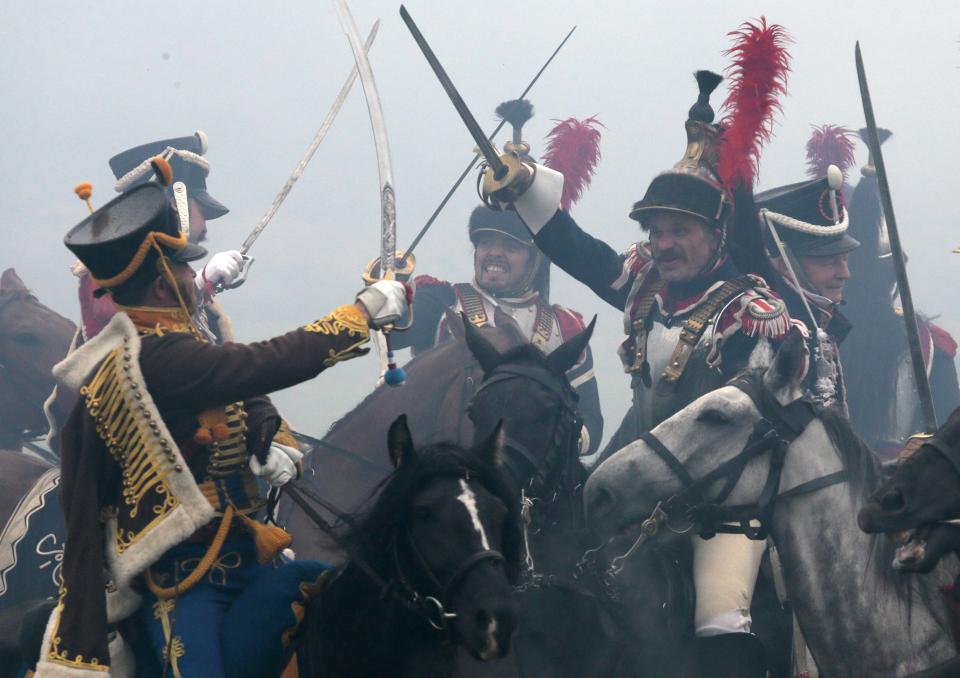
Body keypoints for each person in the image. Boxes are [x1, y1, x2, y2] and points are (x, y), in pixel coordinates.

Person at [482, 59, 797, 676]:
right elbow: (577, 251)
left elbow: (749, 422)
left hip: (717, 499)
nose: (664, 243)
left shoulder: (748, 309)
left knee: (720, 620)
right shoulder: (646, 288)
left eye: (680, 230)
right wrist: (523, 193)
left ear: (715, 235)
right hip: (634, 467)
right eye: (655, 230)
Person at [33, 182, 409, 678]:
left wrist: (266, 433)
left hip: (249, 552)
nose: (195, 275)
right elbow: (260, 364)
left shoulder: (177, 339)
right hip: (186, 579)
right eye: (187, 267)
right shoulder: (155, 355)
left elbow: (241, 388)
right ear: (166, 281)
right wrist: (359, 314)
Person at [391, 100, 603, 454]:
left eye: (510, 245)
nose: (494, 253)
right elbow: (388, 337)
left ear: (535, 260)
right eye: (486, 241)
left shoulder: (565, 327)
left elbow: (591, 426)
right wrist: (387, 298)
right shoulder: (440, 301)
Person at [74, 131, 243, 344]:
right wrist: (199, 283)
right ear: (175, 204)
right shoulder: (110, 264)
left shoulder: (160, 264)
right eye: (203, 213)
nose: (204, 226)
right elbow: (125, 321)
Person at [756, 167, 860, 413]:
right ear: (785, 264)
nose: (845, 273)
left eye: (844, 259)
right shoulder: (773, 329)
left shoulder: (821, 319)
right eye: (829, 262)